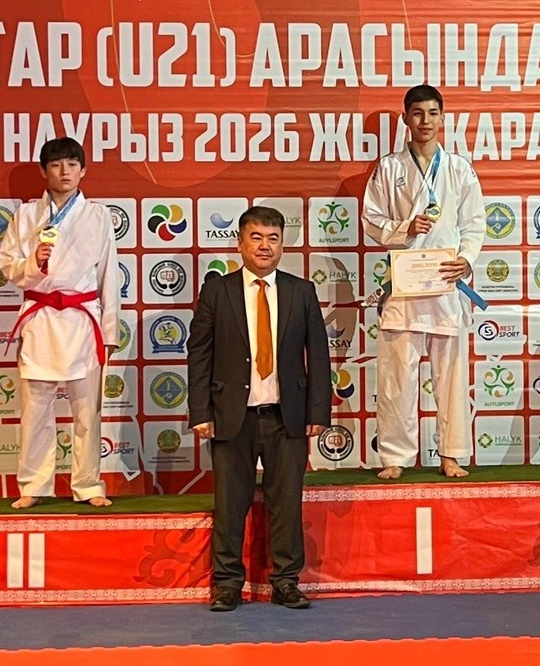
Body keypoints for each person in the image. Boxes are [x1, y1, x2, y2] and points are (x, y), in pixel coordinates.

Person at [187, 205, 331, 612]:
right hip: (232, 416)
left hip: (287, 417)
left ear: (282, 244)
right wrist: (200, 411)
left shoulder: (301, 291)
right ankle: (227, 584)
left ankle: (285, 582)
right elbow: (199, 355)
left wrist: (318, 413)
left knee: (286, 504)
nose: (265, 246)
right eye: (256, 237)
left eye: (273, 238)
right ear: (240, 243)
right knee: (230, 505)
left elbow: (319, 356)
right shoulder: (218, 291)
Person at [362, 84, 486, 480]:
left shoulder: (459, 169)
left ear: (442, 118)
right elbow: (371, 220)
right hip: (405, 285)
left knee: (451, 376)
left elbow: (474, 223)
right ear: (406, 119)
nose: (425, 121)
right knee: (397, 376)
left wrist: (466, 260)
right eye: (417, 113)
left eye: (432, 113)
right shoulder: (389, 168)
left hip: (446, 284)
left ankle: (452, 454)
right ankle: (395, 456)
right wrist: (404, 228)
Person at [0, 137, 119, 509]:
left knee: (87, 412)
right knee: (35, 410)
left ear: (83, 170)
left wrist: (110, 330)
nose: (64, 172)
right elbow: (8, 268)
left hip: (83, 321)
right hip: (41, 319)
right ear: (44, 171)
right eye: (55, 165)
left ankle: (88, 484)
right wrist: (33, 261)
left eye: (71, 164)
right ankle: (33, 485)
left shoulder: (98, 216)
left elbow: (109, 274)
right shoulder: (25, 216)